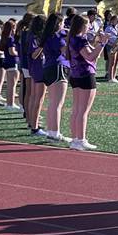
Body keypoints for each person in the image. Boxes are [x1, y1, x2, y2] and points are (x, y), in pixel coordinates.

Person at [67, 14, 109, 150]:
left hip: (75, 75)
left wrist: (98, 43)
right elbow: (90, 57)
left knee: (77, 110)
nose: (90, 27)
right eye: (87, 25)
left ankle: (75, 139)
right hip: (85, 75)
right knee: (83, 111)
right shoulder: (80, 40)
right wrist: (102, 43)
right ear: (82, 26)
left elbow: (90, 53)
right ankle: (81, 139)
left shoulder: (73, 38)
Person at [40, 13, 71, 143]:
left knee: (53, 103)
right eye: (62, 22)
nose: (64, 25)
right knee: (58, 103)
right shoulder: (58, 37)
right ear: (58, 23)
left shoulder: (47, 35)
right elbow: (65, 51)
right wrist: (71, 36)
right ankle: (56, 132)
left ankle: (51, 132)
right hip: (58, 67)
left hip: (49, 67)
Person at [26, 15, 48, 137]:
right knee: (38, 99)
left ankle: (32, 123)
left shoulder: (34, 36)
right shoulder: (35, 37)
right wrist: (42, 45)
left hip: (36, 69)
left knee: (35, 98)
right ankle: (35, 127)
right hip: (38, 68)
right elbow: (34, 55)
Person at [0, 18, 21, 110]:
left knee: (10, 85)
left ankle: (9, 103)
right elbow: (12, 51)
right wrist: (19, 53)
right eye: (14, 28)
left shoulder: (5, 38)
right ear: (12, 28)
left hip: (7, 62)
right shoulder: (11, 39)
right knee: (12, 85)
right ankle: (10, 104)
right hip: (13, 62)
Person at [103, 14, 118, 83]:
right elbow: (107, 37)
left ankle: (114, 77)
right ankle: (110, 78)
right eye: (116, 20)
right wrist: (113, 43)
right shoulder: (108, 28)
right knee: (112, 62)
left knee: (117, 62)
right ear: (112, 21)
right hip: (111, 46)